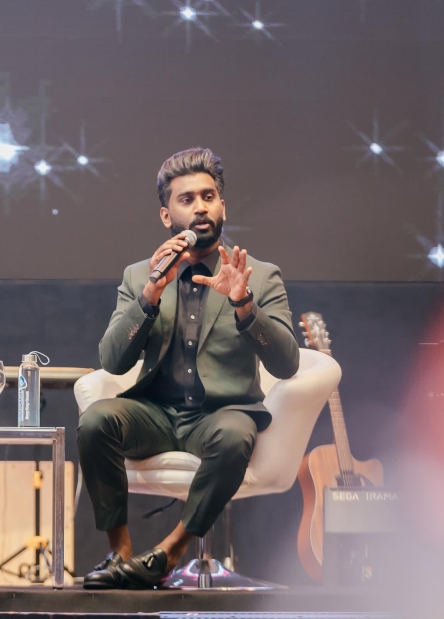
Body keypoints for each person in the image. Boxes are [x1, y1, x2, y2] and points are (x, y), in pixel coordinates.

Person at [77, 148, 300, 589]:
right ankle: (120, 553)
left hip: (221, 414)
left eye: (209, 196)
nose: (200, 206)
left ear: (222, 206)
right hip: (155, 415)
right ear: (166, 216)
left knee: (235, 434)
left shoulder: (258, 274)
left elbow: (287, 363)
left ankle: (168, 552)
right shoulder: (140, 274)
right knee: (95, 421)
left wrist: (243, 304)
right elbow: (112, 360)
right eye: (187, 199)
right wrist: (151, 293)